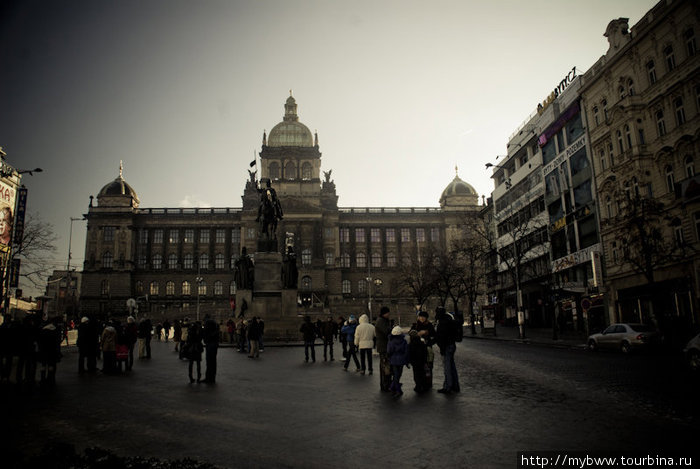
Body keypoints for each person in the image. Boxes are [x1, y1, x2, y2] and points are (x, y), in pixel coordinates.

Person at [435, 306, 460, 394]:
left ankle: (448, 386)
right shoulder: (449, 320)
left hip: (446, 347)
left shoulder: (442, 322)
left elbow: (442, 337)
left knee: (447, 368)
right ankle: (455, 385)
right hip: (451, 345)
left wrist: (441, 348)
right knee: (452, 366)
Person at [411, 310, 436, 389]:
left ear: (426, 318)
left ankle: (427, 383)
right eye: (420, 317)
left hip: (427, 350)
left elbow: (434, 336)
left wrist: (426, 333)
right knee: (417, 368)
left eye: (423, 317)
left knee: (427, 367)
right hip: (417, 350)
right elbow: (411, 335)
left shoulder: (429, 325)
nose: (421, 318)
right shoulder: (415, 325)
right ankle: (418, 384)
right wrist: (415, 334)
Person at [37, 317, 62, 390]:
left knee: (43, 365)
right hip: (52, 351)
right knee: (51, 365)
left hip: (44, 351)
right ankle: (51, 379)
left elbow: (40, 341)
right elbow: (57, 343)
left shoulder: (44, 329)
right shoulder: (55, 330)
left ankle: (43, 379)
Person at [387, 326, 409, 397]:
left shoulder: (391, 342)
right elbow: (406, 352)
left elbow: (389, 351)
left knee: (395, 375)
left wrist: (389, 357)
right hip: (401, 360)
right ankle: (395, 388)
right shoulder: (404, 341)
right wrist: (406, 360)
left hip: (393, 360)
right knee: (398, 375)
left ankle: (395, 388)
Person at [375, 306, 392, 392]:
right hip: (383, 347)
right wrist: (391, 328)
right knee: (385, 366)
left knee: (386, 366)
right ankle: (385, 385)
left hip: (385, 346)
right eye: (388, 313)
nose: (389, 314)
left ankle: (386, 383)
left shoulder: (383, 320)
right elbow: (386, 331)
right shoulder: (381, 321)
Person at [202, 315, 219, 383]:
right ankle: (212, 378)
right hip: (214, 344)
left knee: (209, 362)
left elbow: (206, 333)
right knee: (213, 362)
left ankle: (208, 378)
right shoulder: (215, 324)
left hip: (210, 344)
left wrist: (206, 339)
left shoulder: (208, 323)